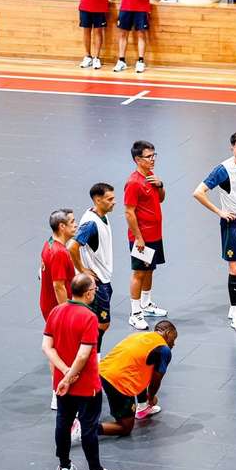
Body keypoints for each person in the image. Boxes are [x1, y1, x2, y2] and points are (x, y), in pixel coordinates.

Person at [42, 273, 122, 470]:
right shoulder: (89, 317)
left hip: (61, 383)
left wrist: (64, 373)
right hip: (85, 384)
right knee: (88, 427)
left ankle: (65, 466)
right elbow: (83, 355)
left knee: (63, 422)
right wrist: (71, 376)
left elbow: (46, 347)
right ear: (87, 293)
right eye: (94, 290)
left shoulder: (56, 312)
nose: (95, 293)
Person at [194, 132, 236, 332]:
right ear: (232, 148)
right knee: (234, 268)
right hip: (233, 224)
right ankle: (233, 312)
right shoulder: (223, 170)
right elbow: (198, 192)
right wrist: (219, 212)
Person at [99, 320, 178, 436]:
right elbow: (156, 380)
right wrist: (150, 398)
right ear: (168, 332)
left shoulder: (139, 335)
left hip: (101, 371)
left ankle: (142, 406)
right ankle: (84, 428)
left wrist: (144, 401)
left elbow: (140, 369)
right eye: (174, 338)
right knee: (125, 427)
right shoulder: (163, 350)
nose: (173, 344)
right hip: (118, 381)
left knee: (143, 368)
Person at [124, 140, 168, 330]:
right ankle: (135, 313)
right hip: (142, 238)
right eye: (148, 157)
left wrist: (160, 184)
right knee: (139, 273)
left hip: (155, 235)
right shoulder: (133, 183)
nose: (152, 160)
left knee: (150, 270)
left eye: (153, 155)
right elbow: (129, 212)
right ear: (137, 159)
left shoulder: (150, 176)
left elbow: (161, 198)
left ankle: (146, 303)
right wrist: (139, 238)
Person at [69, 184, 116, 354]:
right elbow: (72, 247)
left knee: (99, 322)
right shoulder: (90, 223)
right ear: (98, 200)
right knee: (101, 323)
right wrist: (82, 270)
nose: (114, 202)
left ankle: (91, 355)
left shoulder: (102, 215)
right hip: (97, 282)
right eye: (110, 199)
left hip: (103, 277)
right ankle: (92, 357)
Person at [41, 208, 78, 410]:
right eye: (72, 222)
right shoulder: (60, 253)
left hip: (48, 305)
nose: (76, 224)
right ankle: (58, 393)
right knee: (58, 350)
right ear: (62, 226)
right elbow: (58, 285)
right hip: (56, 308)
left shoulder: (48, 243)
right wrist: (66, 311)